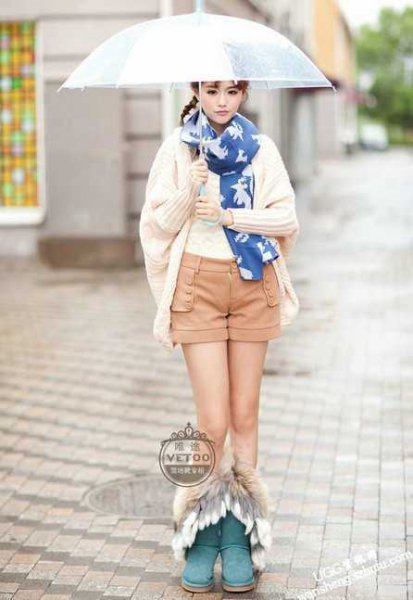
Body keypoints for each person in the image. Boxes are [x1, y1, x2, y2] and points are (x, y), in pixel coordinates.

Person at [139, 80, 300, 593]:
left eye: (232, 91)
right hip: (198, 286)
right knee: (212, 421)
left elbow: (286, 217)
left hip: (252, 286)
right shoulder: (178, 149)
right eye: (212, 91)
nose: (223, 101)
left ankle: (240, 537)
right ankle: (202, 532)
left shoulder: (261, 149)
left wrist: (229, 215)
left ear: (244, 93)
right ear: (198, 92)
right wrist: (190, 190)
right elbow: (156, 225)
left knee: (244, 415)